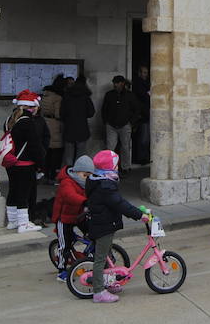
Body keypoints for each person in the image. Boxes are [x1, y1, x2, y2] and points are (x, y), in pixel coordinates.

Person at [86, 150, 151, 303]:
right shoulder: (106, 186)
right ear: (109, 167)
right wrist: (138, 215)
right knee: (100, 259)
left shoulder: (99, 180)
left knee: (107, 256)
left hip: (105, 223)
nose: (117, 168)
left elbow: (118, 202)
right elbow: (120, 204)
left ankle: (107, 282)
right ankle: (98, 292)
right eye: (115, 165)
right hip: (103, 225)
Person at [4, 90, 48, 232]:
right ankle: (23, 223)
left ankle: (13, 221)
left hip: (11, 162)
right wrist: (42, 165)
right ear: (33, 106)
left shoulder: (10, 119)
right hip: (25, 163)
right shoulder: (28, 122)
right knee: (24, 193)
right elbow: (35, 146)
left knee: (13, 190)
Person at [51, 154, 94, 281]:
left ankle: (90, 259)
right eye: (85, 175)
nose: (87, 178)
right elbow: (70, 196)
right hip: (63, 218)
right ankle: (62, 271)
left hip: (79, 215)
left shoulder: (86, 184)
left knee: (93, 233)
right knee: (64, 245)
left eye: (89, 176)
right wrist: (85, 202)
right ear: (77, 171)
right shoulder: (67, 182)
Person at [101, 75, 141, 174]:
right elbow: (104, 109)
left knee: (125, 147)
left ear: (122, 83)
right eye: (114, 83)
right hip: (111, 125)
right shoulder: (109, 95)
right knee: (110, 148)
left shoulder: (129, 95)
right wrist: (106, 121)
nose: (115, 85)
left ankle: (125, 167)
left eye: (117, 83)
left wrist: (131, 122)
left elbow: (136, 110)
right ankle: (109, 167)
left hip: (125, 125)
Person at [60, 75, 95, 165]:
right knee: (80, 153)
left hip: (69, 127)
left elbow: (62, 113)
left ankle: (68, 174)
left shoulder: (67, 96)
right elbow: (91, 113)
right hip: (82, 127)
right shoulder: (86, 97)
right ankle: (78, 174)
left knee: (68, 154)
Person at [40, 74, 66, 184]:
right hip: (55, 125)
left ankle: (45, 174)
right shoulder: (58, 98)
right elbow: (58, 114)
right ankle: (53, 175)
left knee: (47, 151)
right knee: (56, 151)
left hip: (45, 122)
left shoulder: (44, 96)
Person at [132, 65, 151, 165]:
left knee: (146, 138)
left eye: (146, 73)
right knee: (143, 138)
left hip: (147, 114)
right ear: (139, 73)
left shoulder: (146, 84)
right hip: (142, 115)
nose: (145, 75)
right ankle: (141, 158)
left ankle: (144, 157)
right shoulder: (138, 84)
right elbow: (144, 96)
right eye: (143, 72)